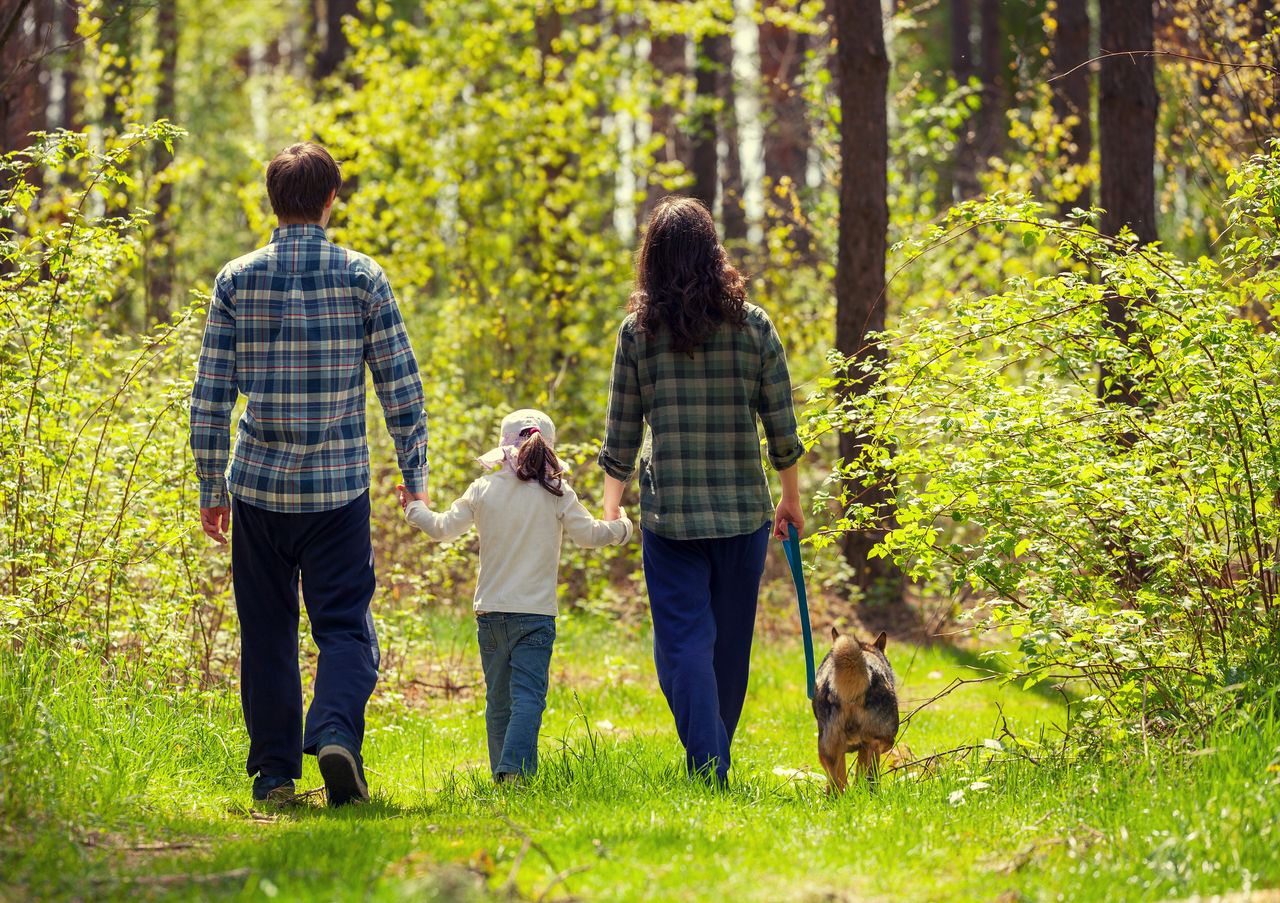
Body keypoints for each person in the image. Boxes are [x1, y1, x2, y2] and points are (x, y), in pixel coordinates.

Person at [190, 142, 429, 807]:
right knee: (346, 627)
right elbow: (400, 385)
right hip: (337, 492)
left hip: (259, 491)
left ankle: (273, 777)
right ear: (331, 201)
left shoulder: (236, 279)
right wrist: (414, 470)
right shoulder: (363, 277)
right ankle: (333, 732)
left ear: (273, 201)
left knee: (266, 631)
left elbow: (210, 393)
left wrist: (211, 485)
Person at [598, 196, 804, 784]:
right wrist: (789, 498)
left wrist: (612, 510)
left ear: (652, 261)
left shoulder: (638, 333)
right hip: (742, 516)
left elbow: (621, 430)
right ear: (713, 253)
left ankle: (707, 760)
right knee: (729, 650)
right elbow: (782, 424)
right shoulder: (752, 326)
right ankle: (711, 759)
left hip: (672, 519)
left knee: (681, 646)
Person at [397, 409, 632, 782]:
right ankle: (515, 773)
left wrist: (413, 507)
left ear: (502, 448)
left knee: (498, 702)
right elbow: (590, 536)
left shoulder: (483, 488)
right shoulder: (557, 492)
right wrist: (621, 528)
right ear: (548, 449)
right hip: (535, 615)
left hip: (490, 614)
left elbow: (441, 528)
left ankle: (502, 775)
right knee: (528, 698)